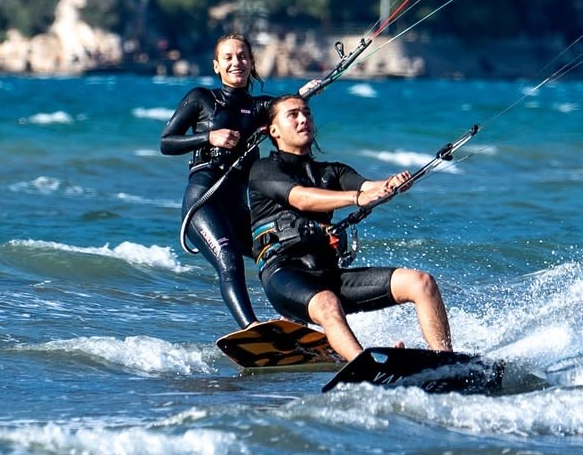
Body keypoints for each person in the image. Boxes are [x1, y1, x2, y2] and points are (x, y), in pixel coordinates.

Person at [248, 94, 453, 362]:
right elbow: (301, 198)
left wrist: (391, 184)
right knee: (327, 302)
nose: (303, 119)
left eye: (307, 113)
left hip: (329, 274)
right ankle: (363, 365)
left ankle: (447, 361)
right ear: (273, 130)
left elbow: (369, 187)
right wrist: (356, 198)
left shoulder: (332, 171)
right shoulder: (263, 170)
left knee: (421, 283)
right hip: (284, 274)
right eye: (293, 115)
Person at [160, 33, 272, 328]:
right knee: (230, 260)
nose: (237, 62)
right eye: (229, 58)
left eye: (243, 56)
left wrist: (304, 95)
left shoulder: (261, 108)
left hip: (238, 210)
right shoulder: (202, 99)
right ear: (216, 66)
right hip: (203, 203)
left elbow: (290, 110)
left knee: (277, 255)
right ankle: (252, 329)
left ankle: (309, 321)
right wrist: (209, 136)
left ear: (251, 62)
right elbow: (166, 142)